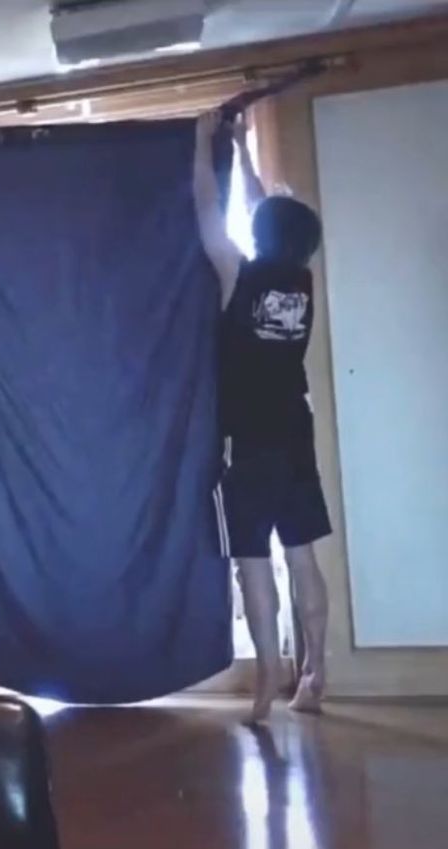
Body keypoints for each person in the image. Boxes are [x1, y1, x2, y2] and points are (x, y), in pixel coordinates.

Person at [194, 112, 331, 722]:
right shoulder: (300, 278)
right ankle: (315, 672)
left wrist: (203, 142)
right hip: (293, 431)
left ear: (258, 233)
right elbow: (266, 209)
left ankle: (266, 681)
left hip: (244, 439)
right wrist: (245, 149)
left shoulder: (236, 276)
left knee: (252, 557)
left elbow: (205, 213)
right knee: (302, 554)